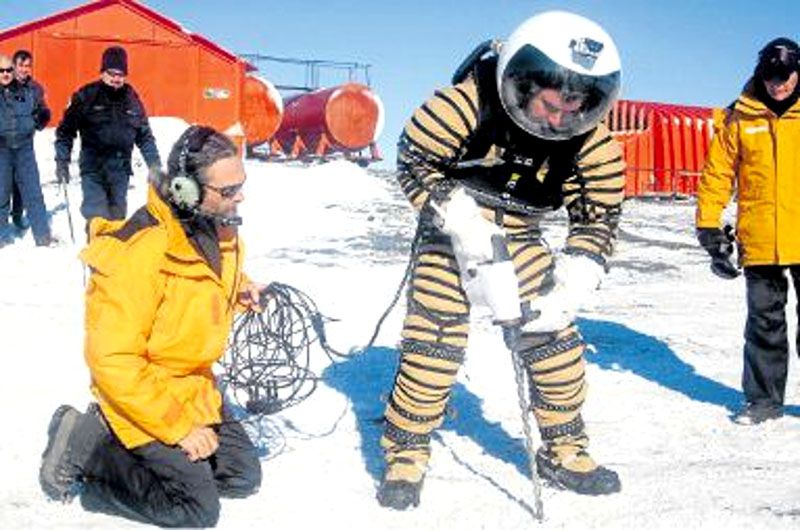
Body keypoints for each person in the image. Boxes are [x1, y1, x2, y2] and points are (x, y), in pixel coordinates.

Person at [377, 11, 625, 510]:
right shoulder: (465, 104)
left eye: (574, 106)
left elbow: (599, 215)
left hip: (520, 234)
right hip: (449, 229)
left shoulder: (592, 140)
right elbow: (414, 159)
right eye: (550, 104)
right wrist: (461, 219)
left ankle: (565, 450)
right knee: (434, 342)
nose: (559, 119)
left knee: (553, 340)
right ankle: (405, 452)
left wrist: (573, 283)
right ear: (523, 80)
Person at [39, 126, 263, 527]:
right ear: (186, 189)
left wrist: (240, 290)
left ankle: (158, 460)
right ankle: (86, 444)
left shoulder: (218, 230)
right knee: (196, 509)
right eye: (228, 191)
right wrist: (177, 428)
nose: (240, 197)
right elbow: (111, 359)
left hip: (193, 386)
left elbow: (200, 284)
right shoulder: (140, 253)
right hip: (141, 393)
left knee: (241, 477)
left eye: (241, 186)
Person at [696, 37, 800, 425]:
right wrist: (708, 226)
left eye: (785, 76)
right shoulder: (739, 118)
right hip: (759, 237)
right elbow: (717, 174)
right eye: (771, 77)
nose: (778, 84)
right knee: (764, 323)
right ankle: (764, 401)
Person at [55, 45, 160, 230]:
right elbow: (65, 132)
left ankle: (112, 257)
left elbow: (144, 136)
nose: (116, 78)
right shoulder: (86, 96)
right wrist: (62, 160)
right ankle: (94, 257)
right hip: (93, 169)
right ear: (103, 72)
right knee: (97, 218)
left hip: (120, 172)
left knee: (117, 220)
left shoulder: (132, 99)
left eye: (120, 74)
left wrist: (154, 165)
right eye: (112, 73)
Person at [0, 54, 53, 247]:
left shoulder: (28, 89)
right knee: (1, 193)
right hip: (2, 149)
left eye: (8, 70)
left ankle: (43, 237)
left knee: (33, 192)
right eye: (2, 70)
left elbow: (39, 111)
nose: (6, 74)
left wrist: (40, 119)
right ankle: (1, 238)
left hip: (24, 148)